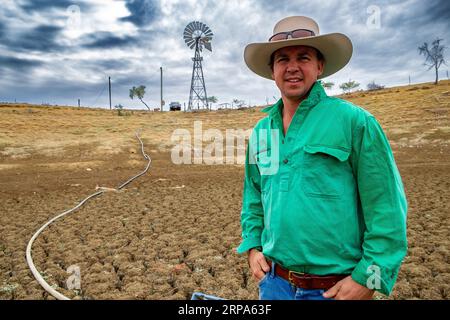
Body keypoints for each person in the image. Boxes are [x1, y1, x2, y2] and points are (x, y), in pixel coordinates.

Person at [236, 16, 408, 300]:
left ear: (320, 66)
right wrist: (253, 246)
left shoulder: (355, 122)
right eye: (282, 59)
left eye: (303, 57)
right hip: (275, 285)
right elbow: (253, 197)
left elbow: (386, 206)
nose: (292, 67)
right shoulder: (261, 132)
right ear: (272, 70)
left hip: (336, 290)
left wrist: (369, 279)